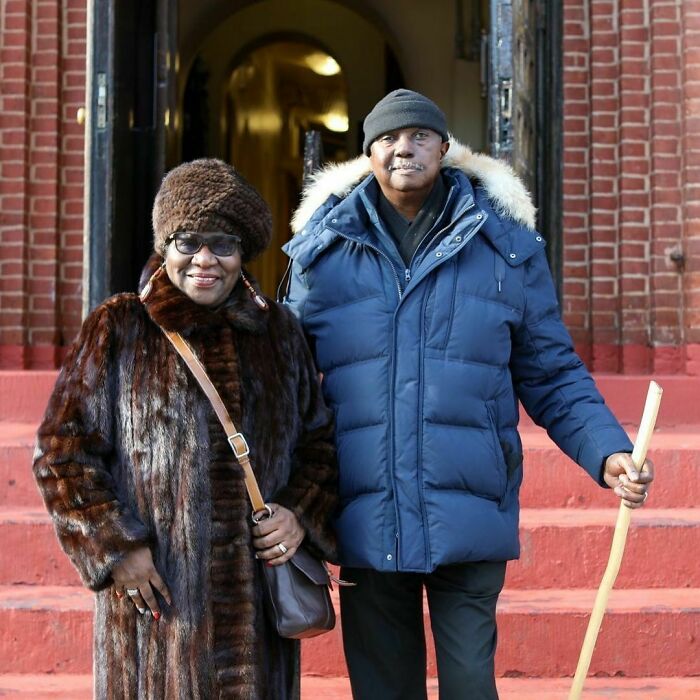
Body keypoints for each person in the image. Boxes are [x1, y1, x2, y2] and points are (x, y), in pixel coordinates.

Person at [282, 89, 654, 700]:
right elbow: (285, 379)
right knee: (382, 691)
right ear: (368, 153)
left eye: (419, 135)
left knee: (469, 686)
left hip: (470, 502)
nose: (404, 147)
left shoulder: (506, 249)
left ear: (445, 148)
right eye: (388, 138)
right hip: (364, 507)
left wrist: (606, 452)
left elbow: (551, 371)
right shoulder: (321, 256)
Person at [33, 159, 338, 699]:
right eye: (187, 241)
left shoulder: (279, 334)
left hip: (254, 613)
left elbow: (319, 443)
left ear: (242, 253)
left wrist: (299, 513)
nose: (204, 260)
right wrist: (113, 545)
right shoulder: (120, 326)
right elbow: (62, 452)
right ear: (164, 246)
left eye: (222, 243)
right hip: (156, 610)